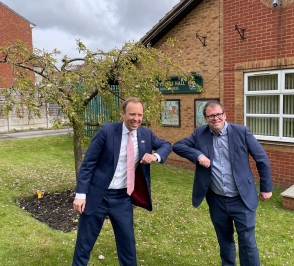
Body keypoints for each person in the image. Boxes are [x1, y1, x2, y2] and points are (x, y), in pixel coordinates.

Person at [72, 97, 172, 266]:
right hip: (97, 196)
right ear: (123, 114)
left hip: (123, 198)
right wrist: (80, 194)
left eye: (140, 115)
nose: (136, 119)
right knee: (84, 244)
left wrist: (155, 156)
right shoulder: (107, 131)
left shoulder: (145, 134)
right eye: (132, 114)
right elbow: (88, 163)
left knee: (128, 246)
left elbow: (167, 145)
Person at [173, 100, 272, 266]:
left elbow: (261, 159)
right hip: (217, 199)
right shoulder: (200, 133)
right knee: (224, 240)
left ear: (224, 115)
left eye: (218, 114)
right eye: (211, 116)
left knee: (247, 241)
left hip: (241, 198)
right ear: (205, 118)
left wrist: (266, 188)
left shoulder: (242, 132)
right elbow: (178, 146)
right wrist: (198, 156)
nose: (215, 118)